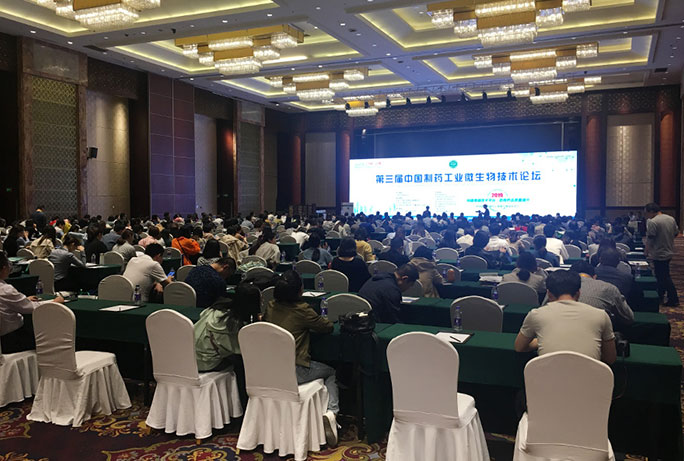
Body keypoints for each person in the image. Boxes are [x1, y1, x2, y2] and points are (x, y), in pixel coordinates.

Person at [263, 270, 339, 447]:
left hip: (269, 370)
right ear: (299, 291)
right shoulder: (302, 310)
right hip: (295, 370)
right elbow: (326, 327)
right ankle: (332, 413)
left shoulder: (271, 306)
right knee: (332, 372)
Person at [514, 270, 616, 364]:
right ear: (578, 293)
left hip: (547, 376)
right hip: (591, 377)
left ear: (549, 294)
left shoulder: (536, 314)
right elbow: (610, 358)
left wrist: (538, 341)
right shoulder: (601, 315)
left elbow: (519, 347)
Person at [194, 282, 261, 372]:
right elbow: (244, 350)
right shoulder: (234, 324)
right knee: (242, 363)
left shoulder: (216, 308)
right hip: (205, 363)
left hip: (189, 356)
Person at [0, 252, 65, 336]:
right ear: (4, 268)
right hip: (12, 336)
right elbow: (31, 308)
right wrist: (54, 302)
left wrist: (24, 300)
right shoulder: (6, 290)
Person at [569, 261, 634, 330]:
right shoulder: (608, 288)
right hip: (598, 333)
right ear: (595, 277)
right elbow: (628, 317)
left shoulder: (562, 288)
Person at [644, 202, 679, 306]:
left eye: (646, 213)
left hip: (659, 252)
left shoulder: (653, 221)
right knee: (662, 276)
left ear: (651, 211)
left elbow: (650, 238)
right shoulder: (670, 219)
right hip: (669, 250)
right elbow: (676, 233)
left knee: (663, 277)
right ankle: (660, 296)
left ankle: (673, 298)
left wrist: (646, 251)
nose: (646, 216)